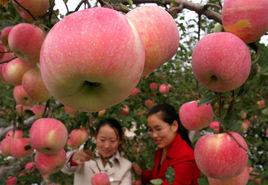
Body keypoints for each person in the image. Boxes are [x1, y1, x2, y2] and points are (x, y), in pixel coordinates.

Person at [132, 103, 200, 185]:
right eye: (151, 130)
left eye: (158, 129)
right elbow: (157, 177)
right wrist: (141, 173)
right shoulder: (162, 149)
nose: (154, 135)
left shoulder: (185, 157)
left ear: (174, 126)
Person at [62, 118, 132, 185]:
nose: (107, 146)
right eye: (102, 140)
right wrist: (74, 158)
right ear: (96, 137)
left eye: (112, 141)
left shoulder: (125, 166)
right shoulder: (84, 152)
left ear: (120, 141)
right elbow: (64, 168)